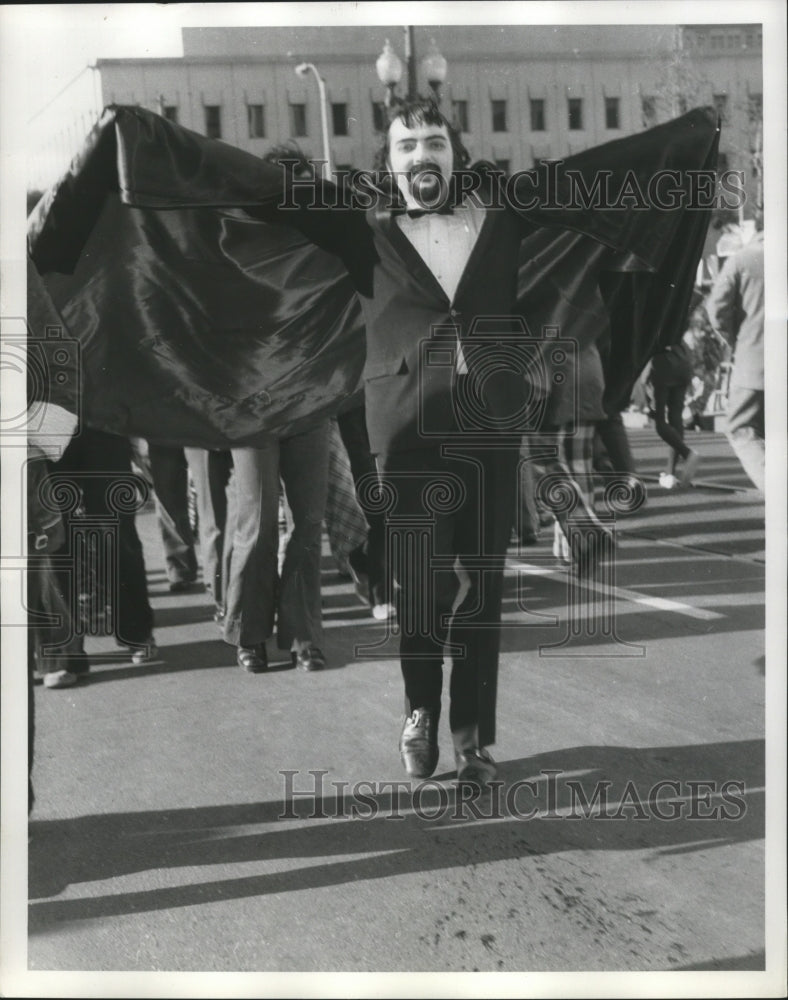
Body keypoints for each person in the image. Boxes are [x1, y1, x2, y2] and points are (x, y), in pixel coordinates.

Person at [704, 222, 765, 492]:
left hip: (754, 363)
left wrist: (735, 341)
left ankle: (776, 491)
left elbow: (716, 311)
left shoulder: (743, 260)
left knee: (741, 429)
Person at [645, 334, 701, 489]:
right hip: (682, 362)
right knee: (676, 418)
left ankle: (687, 453)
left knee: (659, 422)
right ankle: (670, 474)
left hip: (662, 364)